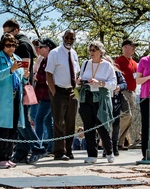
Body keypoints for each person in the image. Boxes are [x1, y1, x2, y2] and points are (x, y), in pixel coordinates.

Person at [3, 19, 45, 164]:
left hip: (21, 87)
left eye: (8, 33)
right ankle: (21, 152)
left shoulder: (22, 45)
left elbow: (24, 67)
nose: (5, 37)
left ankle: (38, 147)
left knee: (22, 121)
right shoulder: (24, 43)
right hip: (21, 86)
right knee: (19, 121)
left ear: (16, 31)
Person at [0, 33, 26, 168]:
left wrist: (25, 76)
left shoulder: (17, 58)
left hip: (15, 98)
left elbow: (19, 79)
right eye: (8, 45)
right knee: (2, 129)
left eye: (13, 45)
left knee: (13, 129)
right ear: (2, 46)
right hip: (2, 99)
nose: (11, 48)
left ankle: (8, 156)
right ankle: (1, 158)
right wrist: (11, 69)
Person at [78, 40, 116, 164]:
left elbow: (113, 84)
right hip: (87, 97)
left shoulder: (107, 65)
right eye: (90, 50)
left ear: (101, 52)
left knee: (102, 125)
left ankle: (109, 152)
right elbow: (81, 77)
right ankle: (92, 155)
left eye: (94, 50)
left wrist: (100, 83)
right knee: (88, 127)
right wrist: (80, 81)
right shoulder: (85, 63)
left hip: (100, 98)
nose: (92, 52)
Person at [46, 30, 81, 161]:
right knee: (58, 123)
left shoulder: (74, 53)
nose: (69, 40)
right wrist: (54, 93)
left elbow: (76, 73)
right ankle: (59, 152)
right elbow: (48, 74)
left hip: (72, 91)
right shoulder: (54, 53)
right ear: (63, 37)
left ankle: (69, 150)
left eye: (72, 38)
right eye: (67, 37)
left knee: (71, 123)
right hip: (58, 91)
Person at [32, 38, 57, 155]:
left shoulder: (51, 60)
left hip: (48, 95)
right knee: (47, 121)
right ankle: (51, 146)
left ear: (48, 48)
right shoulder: (43, 60)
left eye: (41, 47)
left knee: (39, 119)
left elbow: (49, 77)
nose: (38, 49)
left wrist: (37, 77)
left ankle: (39, 146)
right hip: (42, 95)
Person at [114, 39, 139, 149]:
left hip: (132, 92)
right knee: (126, 115)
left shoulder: (134, 62)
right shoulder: (119, 61)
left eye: (134, 46)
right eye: (131, 45)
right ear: (124, 47)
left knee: (130, 118)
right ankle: (113, 139)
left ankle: (120, 142)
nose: (133, 47)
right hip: (123, 92)